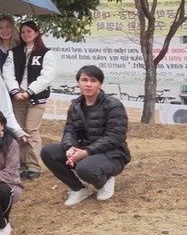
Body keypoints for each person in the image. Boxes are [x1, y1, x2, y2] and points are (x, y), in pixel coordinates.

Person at [43, 65, 129, 206]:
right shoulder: (75, 106)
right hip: (85, 150)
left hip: (112, 154)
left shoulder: (113, 105)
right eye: (84, 80)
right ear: (78, 82)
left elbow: (115, 137)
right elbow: (69, 131)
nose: (88, 84)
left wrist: (87, 152)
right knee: (48, 152)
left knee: (84, 168)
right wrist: (70, 147)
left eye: (93, 80)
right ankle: (79, 189)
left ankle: (104, 180)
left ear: (100, 84)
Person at [3, 20, 54, 180]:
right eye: (23, 32)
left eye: (29, 31)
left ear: (36, 33)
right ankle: (21, 163)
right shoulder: (14, 52)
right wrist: (15, 90)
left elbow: (47, 76)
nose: (26, 34)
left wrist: (30, 91)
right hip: (17, 97)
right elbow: (7, 73)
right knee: (18, 130)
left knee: (31, 129)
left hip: (36, 98)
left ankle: (34, 165)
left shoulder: (46, 53)